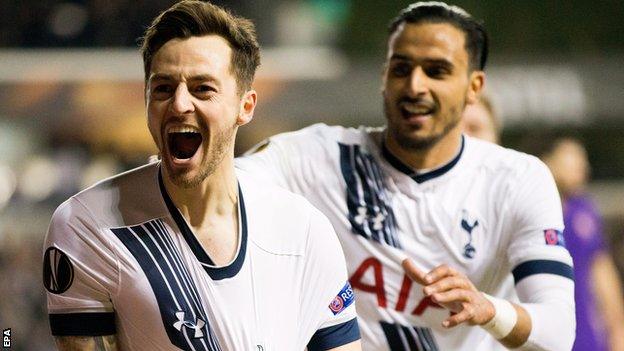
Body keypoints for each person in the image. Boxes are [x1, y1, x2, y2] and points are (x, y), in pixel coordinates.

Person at [237, 2, 575, 350]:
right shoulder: (317, 157)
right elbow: (225, 189)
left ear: (474, 87)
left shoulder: (517, 179)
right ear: (384, 77)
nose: (415, 86)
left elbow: (558, 333)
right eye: (401, 69)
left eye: (436, 71)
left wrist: (488, 310)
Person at [42, 1, 361, 350]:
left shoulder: (305, 231)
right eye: (163, 88)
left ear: (246, 106)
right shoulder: (88, 225)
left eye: (202, 88)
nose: (179, 104)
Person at [540, 137, 624, 351]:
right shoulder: (533, 212)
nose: (582, 166)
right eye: (572, 157)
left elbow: (601, 272)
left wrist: (617, 329)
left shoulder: (584, 210)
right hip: (543, 336)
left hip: (588, 338)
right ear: (547, 160)